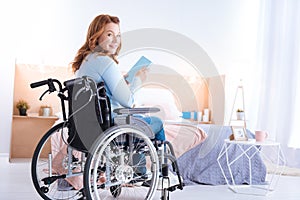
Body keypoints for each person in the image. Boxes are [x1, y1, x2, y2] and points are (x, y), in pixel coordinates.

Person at [71, 14, 165, 141]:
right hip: (111, 125)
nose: (115, 40)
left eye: (118, 35)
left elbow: (103, 91)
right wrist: (137, 79)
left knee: (140, 123)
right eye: (109, 35)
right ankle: (161, 160)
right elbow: (129, 102)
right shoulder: (104, 61)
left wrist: (122, 80)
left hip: (88, 125)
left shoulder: (87, 61)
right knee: (157, 122)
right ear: (97, 36)